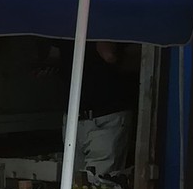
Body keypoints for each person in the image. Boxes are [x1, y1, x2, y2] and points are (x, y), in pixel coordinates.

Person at [56, 41, 137, 177]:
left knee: (86, 184)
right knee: (89, 185)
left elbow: (108, 54)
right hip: (90, 117)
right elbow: (110, 54)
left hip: (98, 117)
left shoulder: (73, 24)